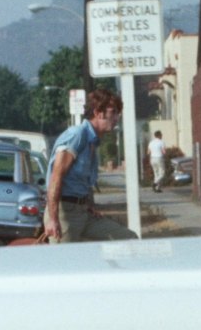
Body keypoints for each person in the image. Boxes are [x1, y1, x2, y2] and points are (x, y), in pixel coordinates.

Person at [43, 89, 138, 243]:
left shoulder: (93, 141)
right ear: (98, 112)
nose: (116, 118)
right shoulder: (77, 135)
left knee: (129, 239)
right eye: (113, 112)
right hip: (64, 213)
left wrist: (89, 204)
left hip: (83, 212)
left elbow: (84, 180)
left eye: (117, 113)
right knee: (66, 264)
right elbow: (56, 176)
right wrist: (53, 219)